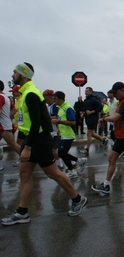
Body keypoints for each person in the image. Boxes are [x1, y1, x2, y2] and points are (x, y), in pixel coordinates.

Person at [1, 62, 87, 226]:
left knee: (53, 173)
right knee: (24, 173)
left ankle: (78, 199)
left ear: (23, 75)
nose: (12, 75)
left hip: (39, 139)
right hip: (31, 137)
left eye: (15, 72)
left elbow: (37, 123)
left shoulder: (32, 94)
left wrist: (27, 147)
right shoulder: (25, 93)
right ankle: (22, 212)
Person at [51, 91, 87, 179]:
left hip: (69, 134)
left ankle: (72, 171)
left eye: (55, 98)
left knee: (61, 153)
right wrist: (59, 129)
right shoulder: (60, 107)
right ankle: (79, 161)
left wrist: (58, 122)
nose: (53, 100)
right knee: (61, 153)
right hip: (63, 134)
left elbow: (73, 122)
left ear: (60, 99)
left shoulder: (68, 108)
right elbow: (62, 118)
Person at [0, 80, 21, 171]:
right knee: (13, 144)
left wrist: (5, 119)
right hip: (5, 124)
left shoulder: (0, 97)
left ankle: (32, 159)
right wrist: (8, 118)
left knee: (13, 144)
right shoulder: (5, 97)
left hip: (3, 126)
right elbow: (13, 109)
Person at [81, 87, 108, 155]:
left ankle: (87, 149)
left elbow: (100, 107)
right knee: (92, 133)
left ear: (90, 92)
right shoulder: (86, 100)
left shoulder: (94, 99)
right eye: (85, 91)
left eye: (87, 91)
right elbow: (85, 107)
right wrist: (83, 113)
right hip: (87, 118)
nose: (85, 92)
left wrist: (92, 111)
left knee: (89, 133)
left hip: (93, 118)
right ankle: (103, 140)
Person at [43, 89, 63, 169]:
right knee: (59, 149)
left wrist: (45, 118)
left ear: (49, 97)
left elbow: (56, 116)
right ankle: (74, 160)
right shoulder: (48, 106)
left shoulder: (55, 106)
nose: (43, 99)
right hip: (51, 131)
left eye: (44, 97)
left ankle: (60, 163)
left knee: (53, 149)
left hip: (57, 130)